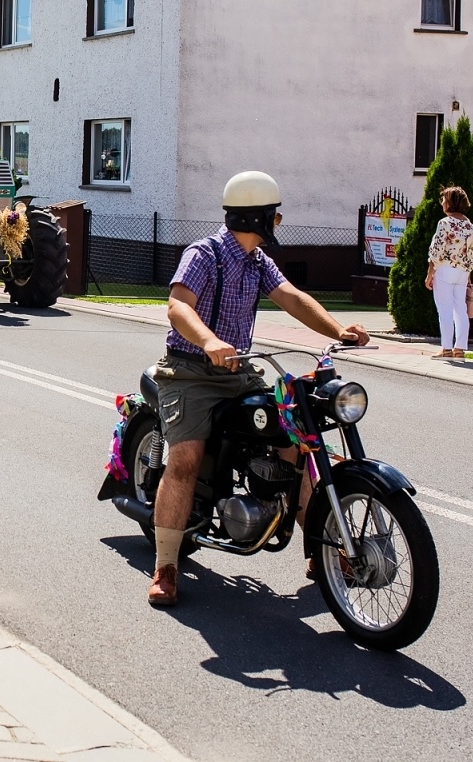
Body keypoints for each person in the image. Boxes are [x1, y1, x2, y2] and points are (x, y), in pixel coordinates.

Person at [146, 171, 370, 609]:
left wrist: (339, 330)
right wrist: (209, 341)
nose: (279, 221)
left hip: (239, 371)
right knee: (186, 459)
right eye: (276, 214)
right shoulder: (204, 254)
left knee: (296, 438)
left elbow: (291, 297)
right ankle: (166, 566)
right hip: (189, 371)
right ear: (262, 217)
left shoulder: (257, 261)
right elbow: (177, 306)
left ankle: (320, 545)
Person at [426, 185, 473, 360]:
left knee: (444, 309)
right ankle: (460, 348)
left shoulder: (445, 223)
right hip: (462, 272)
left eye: (444, 199)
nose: (442, 202)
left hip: (445, 269)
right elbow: (470, 252)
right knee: (460, 310)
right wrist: (468, 273)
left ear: (449, 203)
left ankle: (446, 348)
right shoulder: (470, 226)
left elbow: (437, 250)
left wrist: (430, 273)